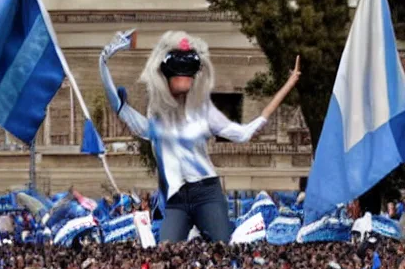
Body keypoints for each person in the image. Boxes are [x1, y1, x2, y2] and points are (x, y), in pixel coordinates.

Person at [99, 29, 301, 242]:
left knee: (223, 246)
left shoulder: (204, 113)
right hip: (177, 198)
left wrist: (288, 84)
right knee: (165, 249)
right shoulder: (155, 124)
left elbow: (244, 134)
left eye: (188, 78)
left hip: (206, 192)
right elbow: (118, 106)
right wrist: (103, 60)